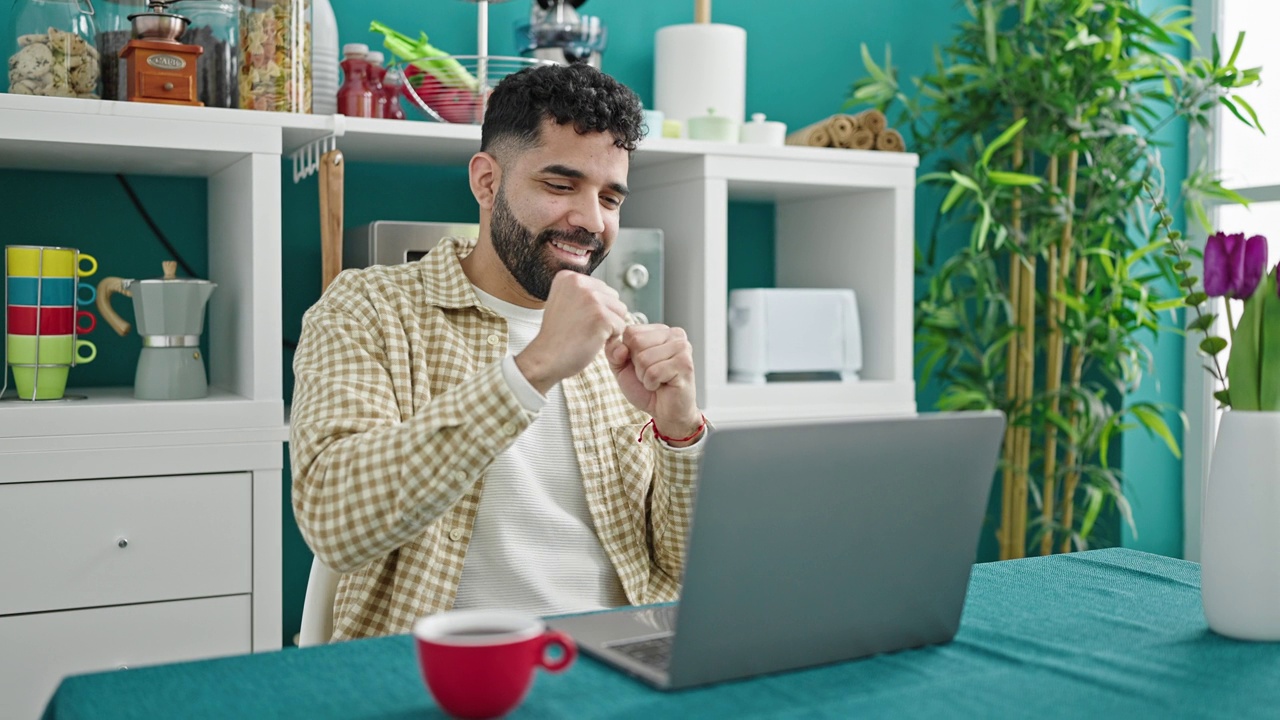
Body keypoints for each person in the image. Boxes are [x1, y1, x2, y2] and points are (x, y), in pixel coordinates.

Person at [289, 63, 707, 641]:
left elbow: (685, 570)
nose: (591, 221)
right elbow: (335, 521)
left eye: (610, 198)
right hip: (437, 675)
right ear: (487, 182)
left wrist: (681, 432)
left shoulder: (625, 339)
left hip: (615, 666)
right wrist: (532, 371)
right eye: (560, 186)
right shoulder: (368, 309)